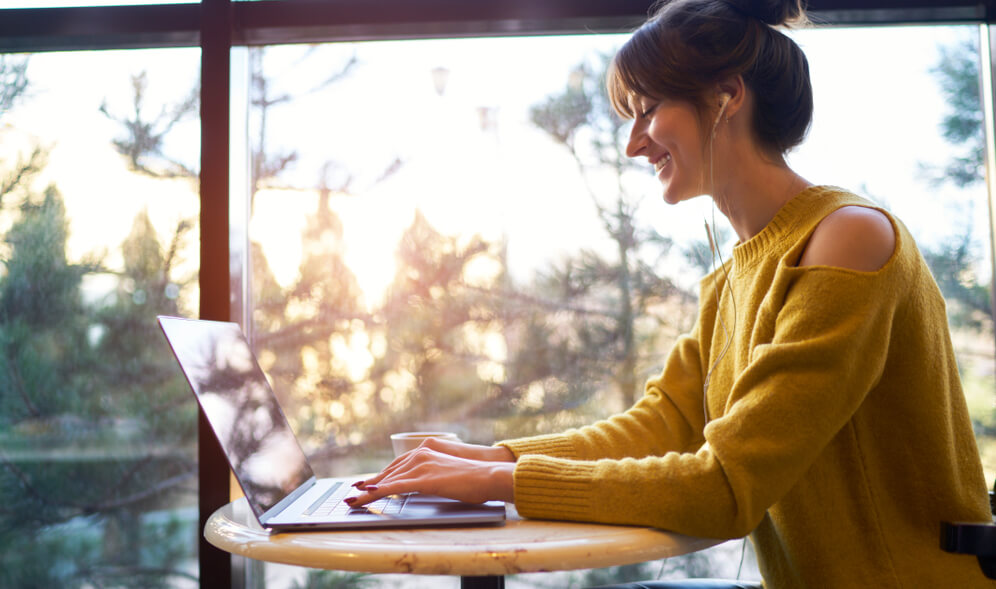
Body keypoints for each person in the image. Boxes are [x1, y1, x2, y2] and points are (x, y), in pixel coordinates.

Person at [348, 0, 994, 586]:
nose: (633, 143)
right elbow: (665, 425)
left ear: (726, 96)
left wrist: (499, 480)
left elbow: (725, 485)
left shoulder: (847, 239)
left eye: (648, 110)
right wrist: (492, 455)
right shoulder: (733, 277)